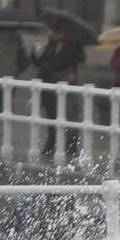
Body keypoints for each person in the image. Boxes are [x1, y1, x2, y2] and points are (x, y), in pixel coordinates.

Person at [32, 25, 85, 157]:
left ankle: (71, 147)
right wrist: (34, 52)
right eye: (54, 32)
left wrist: (76, 42)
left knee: (69, 117)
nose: (53, 34)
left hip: (65, 86)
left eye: (56, 32)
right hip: (49, 86)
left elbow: (81, 58)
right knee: (52, 118)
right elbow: (39, 63)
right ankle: (50, 146)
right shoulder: (51, 45)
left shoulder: (73, 45)